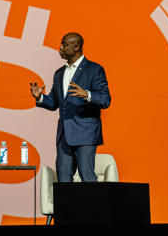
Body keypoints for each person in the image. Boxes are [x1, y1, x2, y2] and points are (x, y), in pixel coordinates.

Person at [30, 32, 110, 182]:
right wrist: (40, 97)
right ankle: (67, 207)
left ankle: (92, 206)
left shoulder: (94, 69)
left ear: (76, 46)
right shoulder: (59, 73)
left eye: (64, 44)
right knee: (63, 178)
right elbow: (54, 102)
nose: (60, 48)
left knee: (87, 177)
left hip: (86, 134)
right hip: (64, 135)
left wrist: (87, 94)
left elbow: (105, 100)